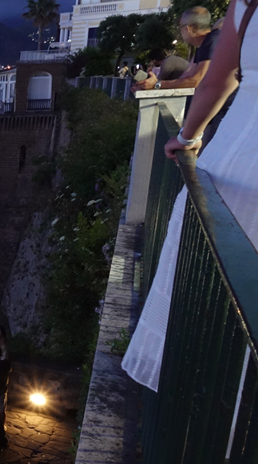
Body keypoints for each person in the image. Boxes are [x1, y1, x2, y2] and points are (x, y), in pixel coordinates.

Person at [124, 0, 255, 390]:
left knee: (206, 275)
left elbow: (216, 81)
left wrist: (186, 137)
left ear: (185, 29)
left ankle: (199, 382)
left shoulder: (243, 9)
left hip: (237, 163)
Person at [134, 6, 238, 147]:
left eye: (181, 27)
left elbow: (196, 80)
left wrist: (157, 85)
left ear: (189, 29)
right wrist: (153, 83)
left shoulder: (213, 40)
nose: (180, 32)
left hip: (224, 114)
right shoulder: (206, 44)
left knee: (204, 161)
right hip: (219, 113)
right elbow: (188, 75)